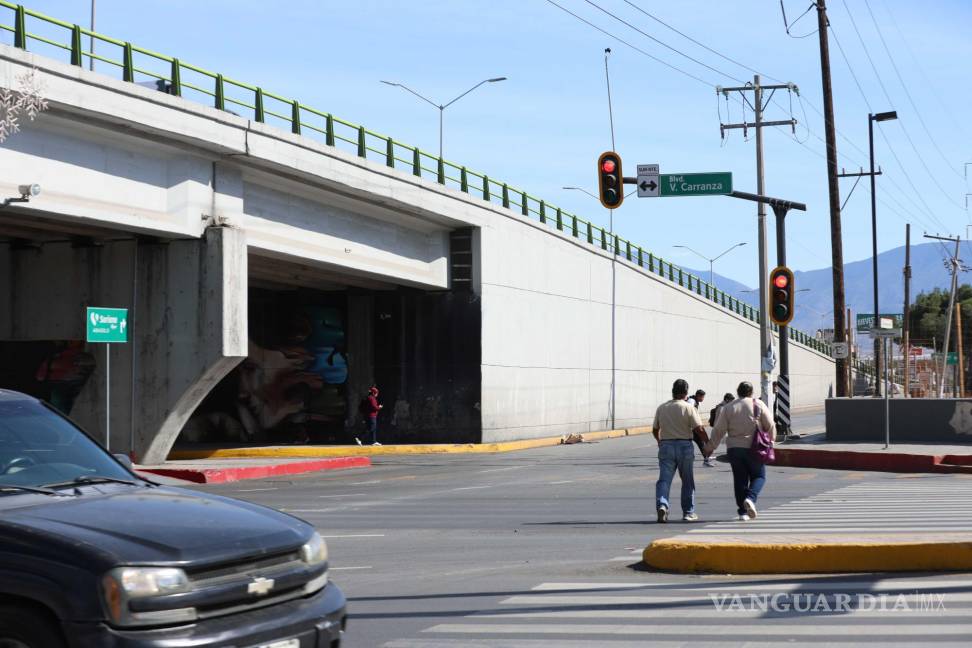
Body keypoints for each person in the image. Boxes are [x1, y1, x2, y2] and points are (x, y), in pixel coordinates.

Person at [703, 381, 776, 521]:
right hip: (755, 448)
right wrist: (771, 442)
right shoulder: (758, 404)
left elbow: (718, 430)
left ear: (738, 392)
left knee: (740, 479)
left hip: (734, 449)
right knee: (759, 476)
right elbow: (770, 425)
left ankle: (742, 512)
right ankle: (750, 498)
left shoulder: (729, 407)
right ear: (751, 392)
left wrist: (710, 447)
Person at [652, 379, 707, 523]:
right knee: (687, 480)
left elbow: (655, 429)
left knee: (664, 480)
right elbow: (699, 429)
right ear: (686, 393)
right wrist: (708, 443)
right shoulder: (689, 408)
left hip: (666, 445)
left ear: (673, 391)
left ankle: (663, 505)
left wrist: (659, 441)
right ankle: (688, 512)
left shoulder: (662, 407)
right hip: (685, 446)